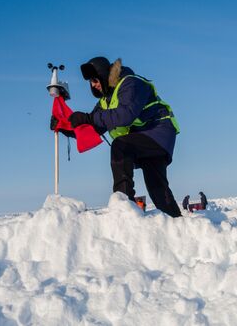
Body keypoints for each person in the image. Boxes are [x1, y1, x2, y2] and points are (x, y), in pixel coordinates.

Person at [51, 56, 181, 218]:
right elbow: (93, 127)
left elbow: (126, 115)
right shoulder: (105, 101)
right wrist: (66, 129)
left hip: (157, 131)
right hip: (145, 141)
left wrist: (88, 118)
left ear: (104, 74)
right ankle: (177, 222)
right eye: (90, 82)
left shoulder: (130, 83)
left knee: (120, 146)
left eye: (95, 79)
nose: (93, 84)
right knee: (157, 188)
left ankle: (123, 205)